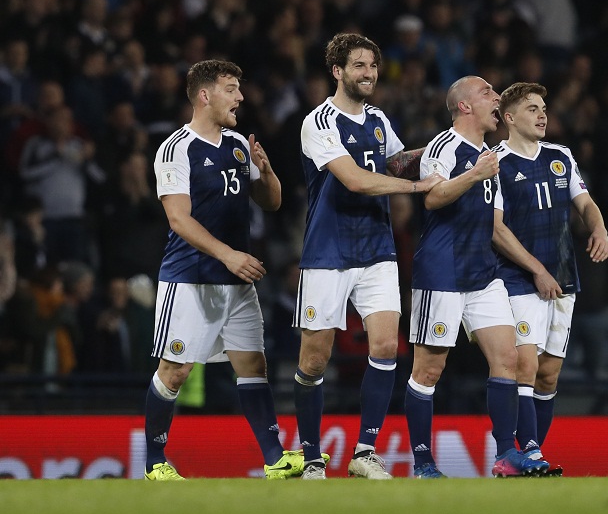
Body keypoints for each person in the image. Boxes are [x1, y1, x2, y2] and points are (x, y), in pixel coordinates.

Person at [143, 59, 312, 481]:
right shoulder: (176, 148)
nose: (240, 97)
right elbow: (178, 219)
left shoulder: (238, 144)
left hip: (236, 279)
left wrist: (267, 169)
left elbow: (270, 201)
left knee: (253, 365)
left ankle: (274, 458)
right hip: (190, 277)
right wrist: (228, 254)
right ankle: (154, 463)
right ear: (205, 95)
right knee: (175, 371)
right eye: (231, 88)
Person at [293, 32, 442, 480]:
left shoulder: (377, 118)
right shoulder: (317, 122)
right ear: (337, 71)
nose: (369, 74)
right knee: (314, 360)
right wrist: (417, 188)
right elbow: (356, 180)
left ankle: (364, 452)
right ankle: (312, 457)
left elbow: (396, 161)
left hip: (377, 250)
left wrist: (443, 150)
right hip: (328, 251)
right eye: (359, 66)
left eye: (373, 66)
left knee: (385, 348)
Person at [404, 75, 543, 479]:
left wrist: (534, 265)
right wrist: (473, 175)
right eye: (487, 93)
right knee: (428, 371)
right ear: (465, 106)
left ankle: (504, 455)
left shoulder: (489, 157)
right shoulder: (443, 147)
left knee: (509, 358)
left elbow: (495, 223)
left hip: (483, 274)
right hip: (442, 273)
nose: (497, 98)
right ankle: (423, 462)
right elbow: (431, 197)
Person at [491, 82, 608, 476]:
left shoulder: (560, 157)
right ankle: (526, 454)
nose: (542, 115)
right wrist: (535, 269)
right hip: (518, 278)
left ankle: (530, 459)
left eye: (544, 108)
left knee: (548, 374)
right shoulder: (495, 162)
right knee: (525, 366)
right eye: (532, 109)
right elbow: (496, 229)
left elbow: (586, 203)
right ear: (509, 118)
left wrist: (599, 228)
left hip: (563, 277)